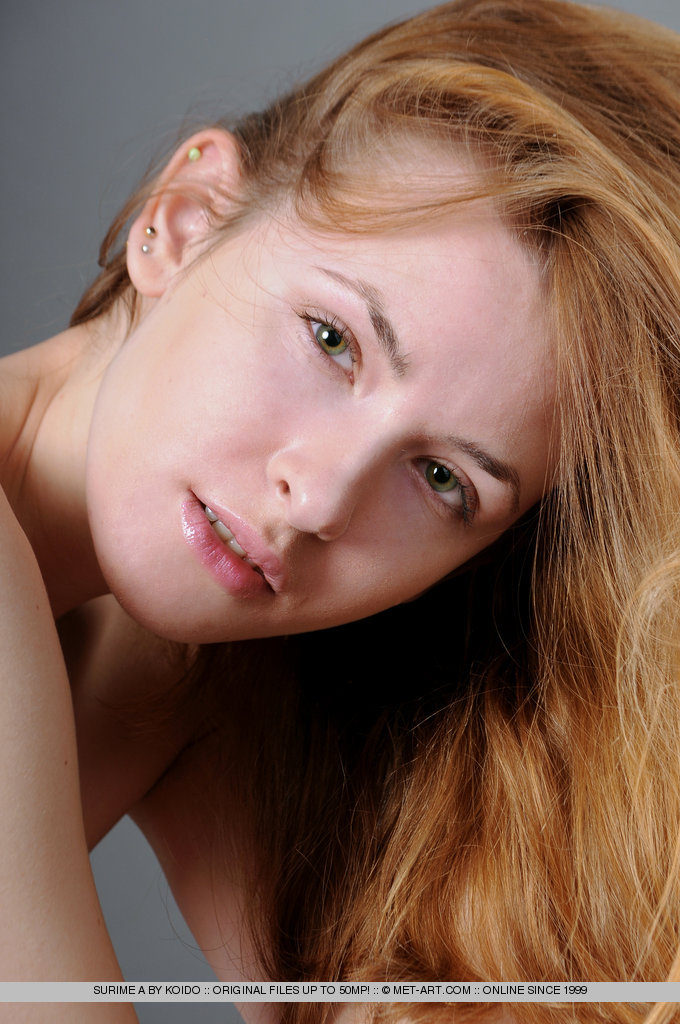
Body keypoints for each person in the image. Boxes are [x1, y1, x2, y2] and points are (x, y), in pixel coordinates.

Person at [2, 1, 680, 1023]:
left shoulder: (178, 670)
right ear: (182, 222)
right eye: (332, 341)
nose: (319, 499)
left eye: (442, 479)